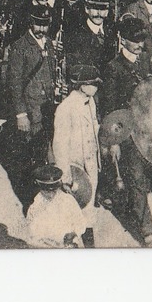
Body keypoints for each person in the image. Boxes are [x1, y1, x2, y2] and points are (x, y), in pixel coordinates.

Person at [98, 15, 152, 245]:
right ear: (123, 40)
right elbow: (110, 108)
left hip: (146, 130)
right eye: (134, 40)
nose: (139, 44)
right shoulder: (114, 68)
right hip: (127, 133)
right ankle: (147, 229)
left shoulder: (145, 62)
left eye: (141, 39)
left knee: (140, 177)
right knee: (137, 177)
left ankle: (128, 204)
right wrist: (113, 142)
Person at [5, 7, 57, 210]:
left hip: (47, 111)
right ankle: (31, 202)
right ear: (30, 23)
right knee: (30, 159)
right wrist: (20, 114)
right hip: (31, 111)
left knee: (45, 154)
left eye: (45, 24)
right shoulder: (20, 46)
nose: (41, 28)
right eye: (38, 23)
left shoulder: (50, 44)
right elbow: (14, 84)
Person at [52, 64, 102, 243]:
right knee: (72, 210)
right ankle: (68, 244)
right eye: (92, 83)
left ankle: (90, 246)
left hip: (90, 164)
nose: (96, 87)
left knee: (88, 209)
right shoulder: (66, 108)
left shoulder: (91, 102)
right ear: (81, 85)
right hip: (75, 169)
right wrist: (64, 174)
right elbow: (60, 144)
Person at [25, 164, 86, 248]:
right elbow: (33, 234)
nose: (50, 195)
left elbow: (80, 221)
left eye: (54, 191)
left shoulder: (68, 200)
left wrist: (75, 233)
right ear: (39, 187)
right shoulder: (35, 206)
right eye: (46, 191)